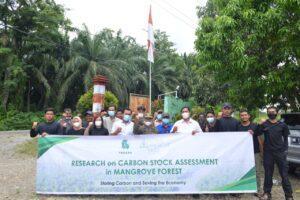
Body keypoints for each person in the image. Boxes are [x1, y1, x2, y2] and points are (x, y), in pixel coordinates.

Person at [256, 106, 294, 200]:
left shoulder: (282, 125)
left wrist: (285, 150)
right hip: (268, 153)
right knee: (268, 174)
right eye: (269, 112)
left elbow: (286, 138)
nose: (271, 113)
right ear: (267, 113)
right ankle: (267, 193)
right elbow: (257, 133)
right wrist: (260, 125)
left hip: (280, 153)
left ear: (277, 113)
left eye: (273, 112)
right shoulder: (264, 124)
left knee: (284, 174)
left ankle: (289, 195)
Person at [237, 109, 263, 195]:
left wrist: (262, 152)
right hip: (242, 153)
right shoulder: (238, 126)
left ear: (249, 116)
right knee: (242, 171)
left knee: (257, 171)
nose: (244, 116)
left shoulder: (255, 126)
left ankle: (258, 190)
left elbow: (259, 139)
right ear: (240, 117)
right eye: (242, 115)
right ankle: (242, 189)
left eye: (245, 115)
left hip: (255, 152)